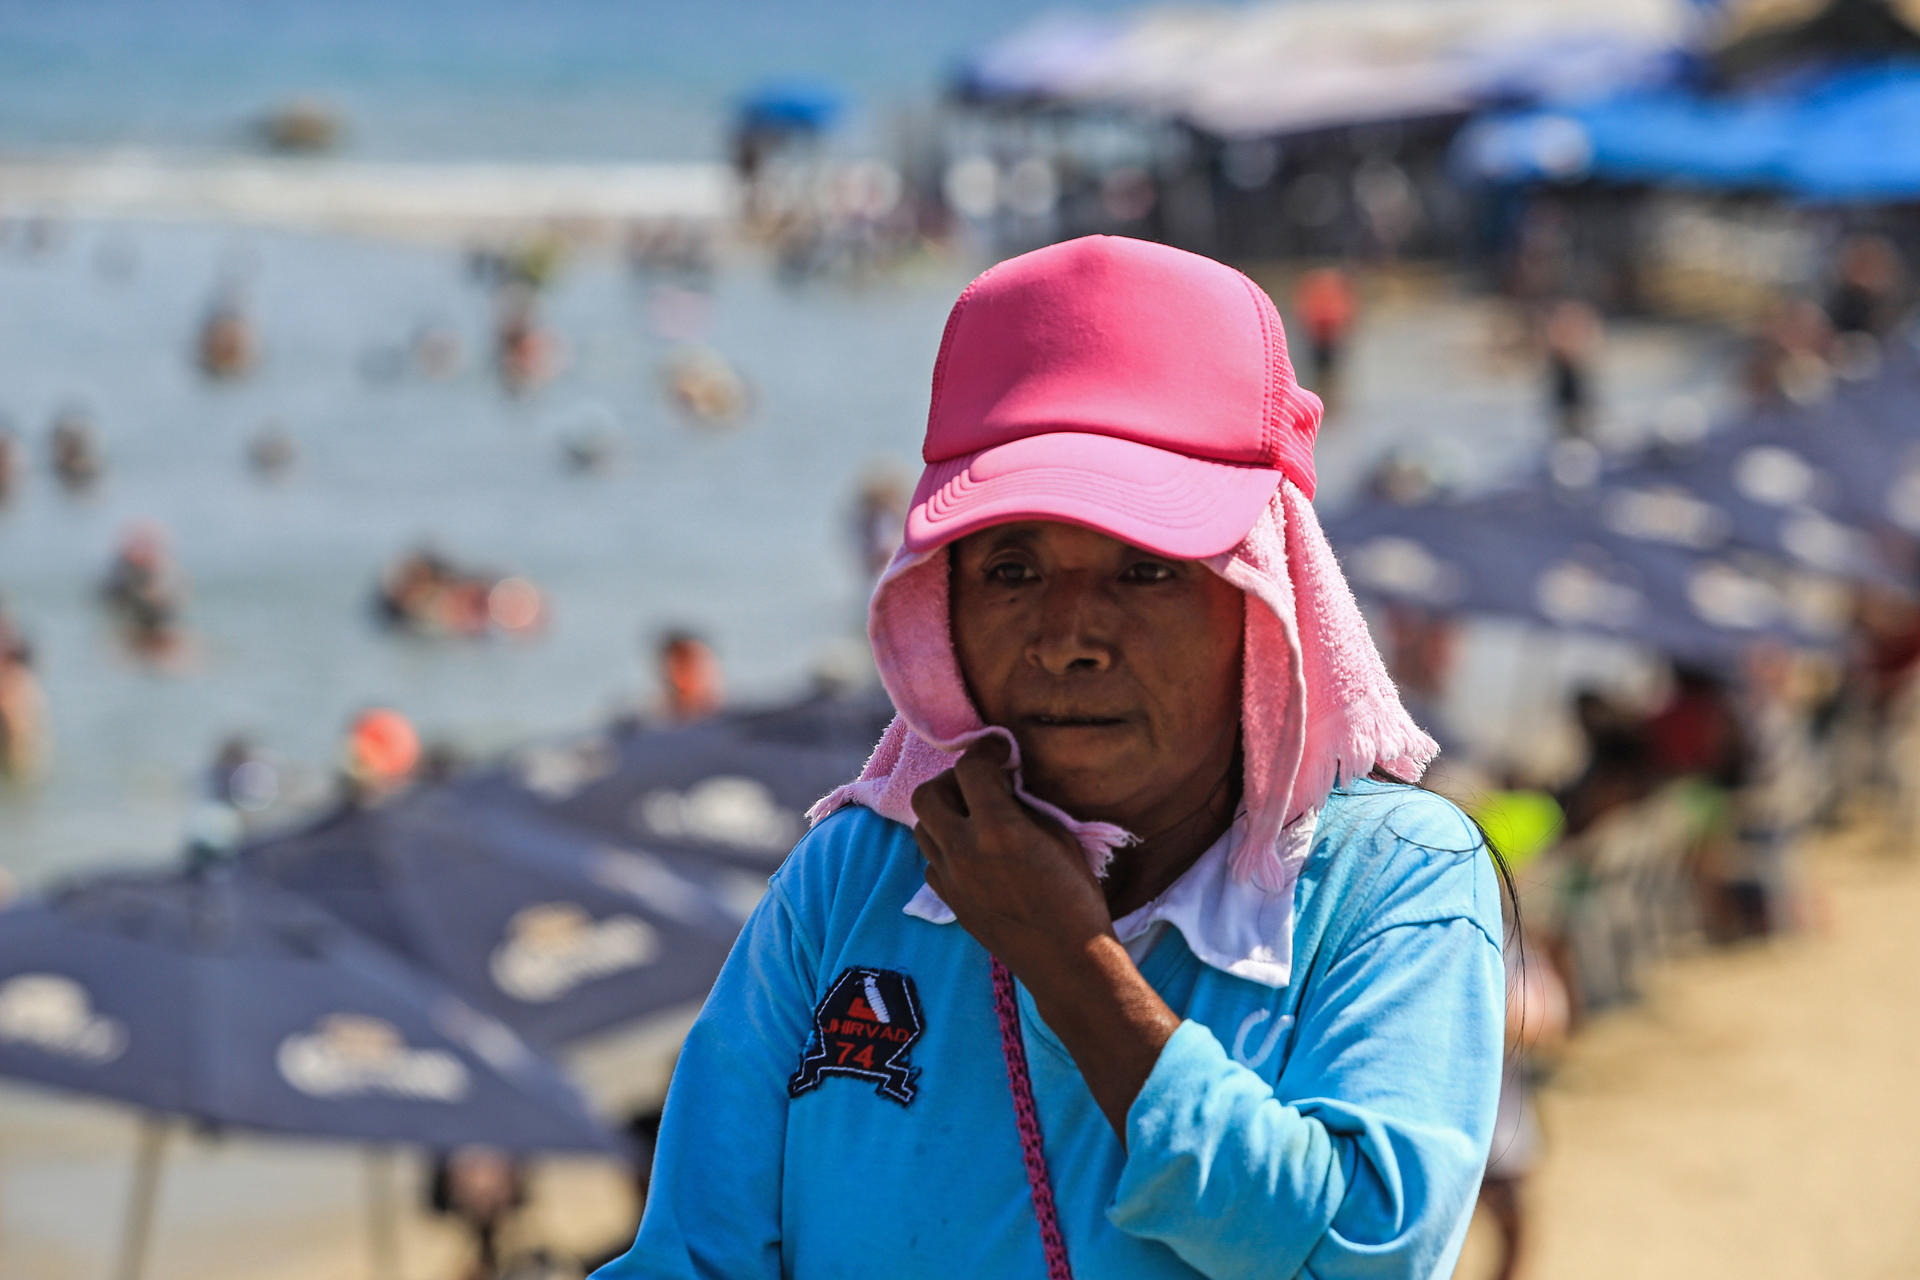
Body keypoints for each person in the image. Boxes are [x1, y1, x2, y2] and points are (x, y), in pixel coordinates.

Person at [595, 236, 1506, 1279]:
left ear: (1263, 599)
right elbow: (690, 1255)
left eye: (1149, 567)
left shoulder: (1387, 877)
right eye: (1012, 565)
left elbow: (1361, 1256)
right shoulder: (855, 877)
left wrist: (1076, 969)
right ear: (940, 602)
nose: (1068, 634)